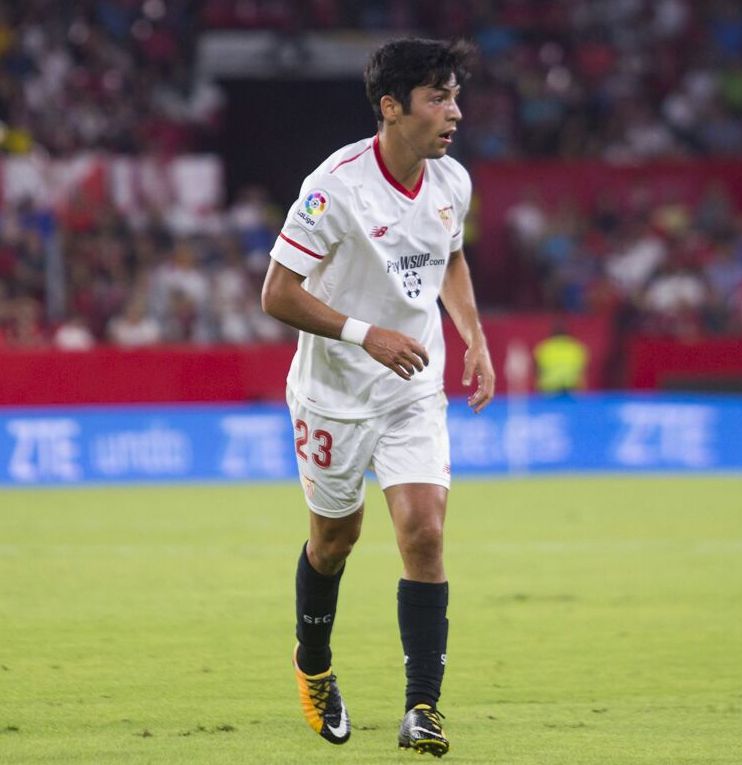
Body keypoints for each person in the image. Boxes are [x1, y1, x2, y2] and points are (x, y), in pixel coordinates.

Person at [260, 38, 495, 757]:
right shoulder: (335, 187)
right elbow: (276, 294)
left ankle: (422, 705)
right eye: (437, 98)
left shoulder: (451, 181)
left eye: (455, 96)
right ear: (391, 108)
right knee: (334, 541)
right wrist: (368, 335)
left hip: (412, 386)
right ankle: (313, 665)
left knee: (423, 530)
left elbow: (448, 254)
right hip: (334, 394)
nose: (453, 111)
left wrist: (473, 335)